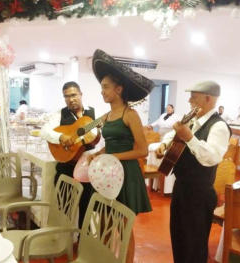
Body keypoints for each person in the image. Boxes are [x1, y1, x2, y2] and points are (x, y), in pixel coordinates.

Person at [89, 49, 153, 263]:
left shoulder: (130, 115)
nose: (102, 92)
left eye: (106, 87)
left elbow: (142, 151)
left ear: (119, 89)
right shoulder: (106, 116)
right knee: (106, 223)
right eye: (102, 88)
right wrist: (98, 154)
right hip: (108, 174)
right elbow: (109, 146)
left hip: (126, 175)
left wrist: (115, 156)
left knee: (124, 228)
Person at [155, 81, 231, 263]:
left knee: (195, 244)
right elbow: (173, 135)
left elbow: (211, 157)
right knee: (179, 238)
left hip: (199, 193)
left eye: (193, 97)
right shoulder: (192, 119)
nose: (189, 100)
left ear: (208, 99)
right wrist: (165, 144)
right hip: (181, 188)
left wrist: (188, 136)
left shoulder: (219, 126)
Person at [39, 81, 95, 228]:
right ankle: (65, 241)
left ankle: (83, 240)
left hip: (87, 169)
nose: (71, 99)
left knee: (87, 206)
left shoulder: (93, 114)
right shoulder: (60, 114)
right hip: (67, 167)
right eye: (66, 96)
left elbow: (96, 136)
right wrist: (61, 137)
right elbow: (44, 131)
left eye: (74, 95)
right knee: (65, 207)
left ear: (81, 94)